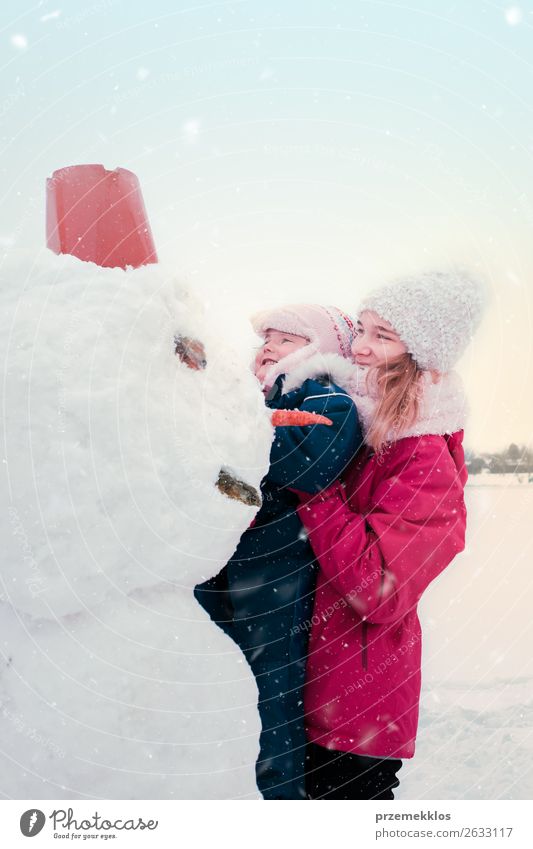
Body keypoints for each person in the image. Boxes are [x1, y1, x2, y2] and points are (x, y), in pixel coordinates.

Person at [292, 270, 488, 800]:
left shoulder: (423, 456)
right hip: (310, 688)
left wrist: (315, 493)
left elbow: (379, 586)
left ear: (420, 353)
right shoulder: (359, 424)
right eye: (362, 329)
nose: (360, 347)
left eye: (384, 336)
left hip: (356, 708)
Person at [194, 304, 363, 799]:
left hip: (277, 569)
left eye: (286, 339)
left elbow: (305, 467)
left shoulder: (331, 400)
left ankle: (277, 799)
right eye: (266, 338)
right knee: (213, 673)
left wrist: (240, 429)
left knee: (271, 687)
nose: (268, 346)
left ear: (319, 350)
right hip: (219, 560)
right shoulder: (250, 400)